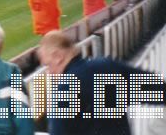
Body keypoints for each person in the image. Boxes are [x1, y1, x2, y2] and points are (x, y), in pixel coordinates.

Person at [37, 30, 166, 135]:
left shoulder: (65, 89)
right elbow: (158, 90)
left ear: (58, 56)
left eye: (48, 65)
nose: (49, 72)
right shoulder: (106, 66)